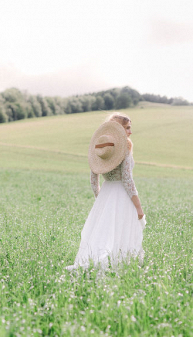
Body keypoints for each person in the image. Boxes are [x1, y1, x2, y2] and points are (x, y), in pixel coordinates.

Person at [66, 112, 146, 270]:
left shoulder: (102, 148)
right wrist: (138, 207)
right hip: (122, 194)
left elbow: (93, 181)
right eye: (127, 128)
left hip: (106, 194)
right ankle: (119, 264)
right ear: (120, 129)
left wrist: (101, 199)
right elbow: (127, 180)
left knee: (103, 232)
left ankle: (103, 262)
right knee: (121, 231)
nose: (130, 132)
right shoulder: (123, 149)